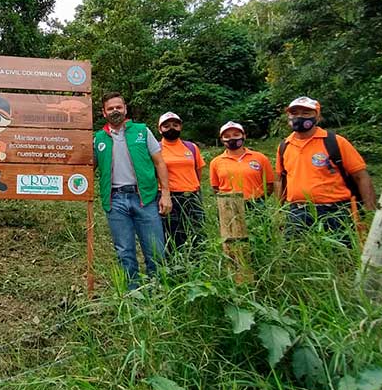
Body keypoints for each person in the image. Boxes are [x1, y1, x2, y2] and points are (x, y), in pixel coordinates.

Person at [93, 92, 171, 289]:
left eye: (118, 107)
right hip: (115, 200)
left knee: (155, 249)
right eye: (110, 108)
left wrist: (166, 194)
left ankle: (159, 292)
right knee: (124, 251)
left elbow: (160, 163)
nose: (115, 111)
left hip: (144, 197)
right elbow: (87, 167)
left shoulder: (142, 131)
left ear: (125, 109)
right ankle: (132, 294)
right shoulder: (98, 138)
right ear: (104, 113)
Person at [275, 96, 376, 244]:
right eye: (294, 113)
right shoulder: (284, 146)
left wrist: (370, 211)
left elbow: (361, 176)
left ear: (318, 116)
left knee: (341, 256)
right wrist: (279, 211)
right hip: (297, 212)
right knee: (296, 256)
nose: (299, 117)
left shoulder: (335, 142)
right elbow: (279, 179)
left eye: (306, 113)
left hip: (335, 212)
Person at [157, 112, 206, 253]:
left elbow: (198, 171)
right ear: (160, 129)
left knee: (198, 233)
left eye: (175, 125)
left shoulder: (191, 147)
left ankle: (198, 264)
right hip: (169, 197)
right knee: (173, 235)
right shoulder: (156, 149)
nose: (171, 128)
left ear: (180, 127)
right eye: (166, 126)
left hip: (192, 196)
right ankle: (175, 269)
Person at [210, 121, 274, 203]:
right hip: (228, 206)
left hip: (256, 204)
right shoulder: (215, 162)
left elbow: (270, 184)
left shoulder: (260, 158)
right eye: (227, 136)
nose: (232, 139)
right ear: (222, 140)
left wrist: (260, 200)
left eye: (236, 135)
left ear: (244, 136)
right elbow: (215, 188)